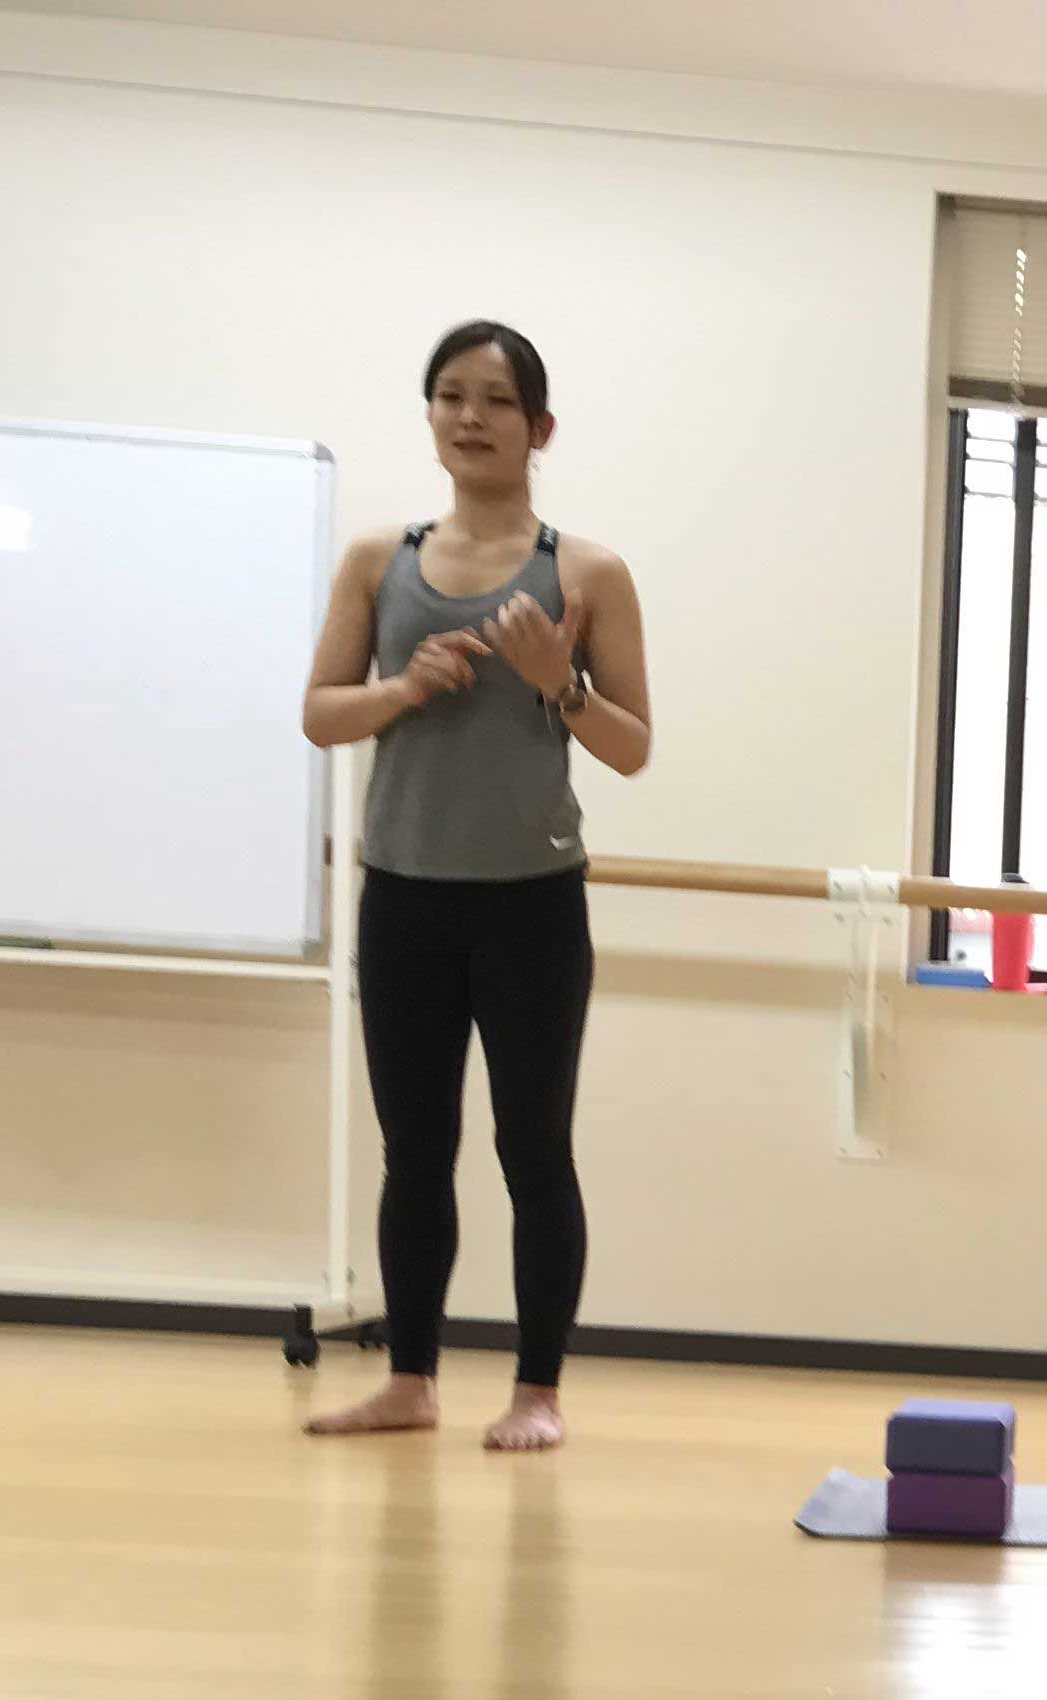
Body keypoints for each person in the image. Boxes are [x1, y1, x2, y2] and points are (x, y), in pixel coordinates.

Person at [299, 320, 651, 1451]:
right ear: (431, 416)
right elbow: (320, 715)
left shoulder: (588, 573)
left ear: (539, 428)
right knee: (414, 1153)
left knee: (533, 1153)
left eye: (496, 400)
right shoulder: (377, 560)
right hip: (405, 897)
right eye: (450, 395)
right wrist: (402, 689)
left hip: (532, 904)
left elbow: (633, 747)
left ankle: (538, 1394)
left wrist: (560, 682)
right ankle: (410, 1382)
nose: (470, 417)